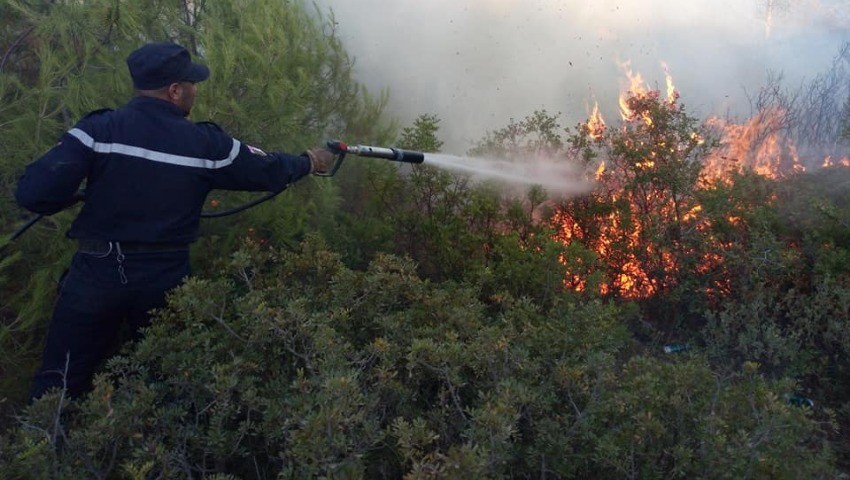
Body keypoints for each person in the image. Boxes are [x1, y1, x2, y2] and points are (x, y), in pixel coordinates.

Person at [15, 42, 335, 401]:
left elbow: (33, 194)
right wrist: (310, 161)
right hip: (163, 279)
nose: (195, 91)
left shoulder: (97, 130)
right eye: (192, 84)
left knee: (59, 384)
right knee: (164, 385)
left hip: (95, 273)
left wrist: (74, 194)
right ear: (175, 90)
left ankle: (45, 450)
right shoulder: (205, 144)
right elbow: (267, 169)